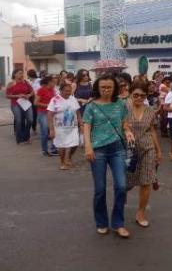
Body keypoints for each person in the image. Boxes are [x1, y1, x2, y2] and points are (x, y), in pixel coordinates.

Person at [83, 74, 135, 238]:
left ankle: (118, 223)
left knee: (121, 186)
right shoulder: (91, 106)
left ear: (114, 88)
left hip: (117, 149)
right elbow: (86, 127)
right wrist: (88, 147)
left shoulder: (121, 104)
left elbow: (124, 123)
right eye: (103, 87)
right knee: (100, 189)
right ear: (97, 88)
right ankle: (101, 222)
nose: (106, 90)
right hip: (98, 150)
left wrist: (127, 131)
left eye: (109, 87)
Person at [126, 81, 163, 228]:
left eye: (142, 95)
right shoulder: (124, 109)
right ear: (131, 94)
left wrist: (158, 150)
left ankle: (141, 212)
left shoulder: (150, 111)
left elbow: (153, 131)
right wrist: (126, 131)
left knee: (146, 182)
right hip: (129, 151)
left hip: (148, 149)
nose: (139, 98)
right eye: (136, 95)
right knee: (126, 182)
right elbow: (120, 126)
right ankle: (120, 201)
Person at [48, 82, 82, 170]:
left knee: (75, 143)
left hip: (73, 127)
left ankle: (68, 158)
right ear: (61, 91)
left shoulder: (73, 99)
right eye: (66, 91)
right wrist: (51, 129)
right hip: (59, 128)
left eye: (70, 91)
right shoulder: (55, 100)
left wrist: (81, 124)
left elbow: (78, 113)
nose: (68, 93)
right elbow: (49, 115)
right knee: (62, 146)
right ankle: (63, 162)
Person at [6, 69, 34, 145]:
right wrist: (18, 95)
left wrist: (28, 95)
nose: (21, 75)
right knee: (19, 121)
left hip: (26, 103)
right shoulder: (11, 83)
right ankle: (20, 139)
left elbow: (32, 91)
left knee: (30, 120)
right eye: (19, 73)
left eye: (22, 73)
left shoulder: (25, 82)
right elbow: (7, 95)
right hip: (16, 104)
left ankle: (26, 136)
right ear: (14, 74)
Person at [35, 76, 59, 156]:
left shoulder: (53, 90)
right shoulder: (41, 90)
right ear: (49, 82)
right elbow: (35, 103)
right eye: (53, 82)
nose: (54, 83)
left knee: (53, 130)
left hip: (52, 113)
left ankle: (53, 148)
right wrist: (47, 105)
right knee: (45, 132)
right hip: (43, 113)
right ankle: (44, 150)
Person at [27, 69, 39, 134]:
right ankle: (33, 128)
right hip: (30, 99)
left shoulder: (38, 81)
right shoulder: (28, 81)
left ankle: (34, 128)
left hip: (35, 98)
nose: (28, 76)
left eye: (28, 75)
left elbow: (38, 90)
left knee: (35, 114)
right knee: (31, 114)